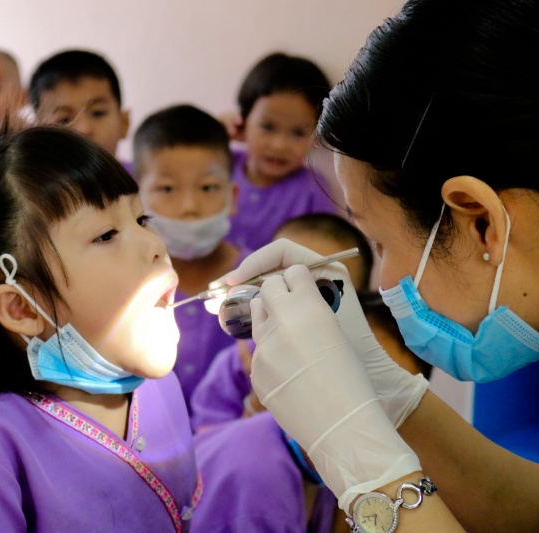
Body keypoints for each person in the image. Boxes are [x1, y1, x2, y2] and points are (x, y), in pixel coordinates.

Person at [223, 0, 539, 531]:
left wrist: (363, 463)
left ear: (481, 221)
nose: (385, 284)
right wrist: (385, 395)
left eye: (380, 243)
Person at [0, 125, 201, 532]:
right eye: (106, 234)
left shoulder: (156, 387)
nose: (154, 245)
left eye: (142, 219)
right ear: (21, 307)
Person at [190, 213, 374, 429]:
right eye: (282, 282)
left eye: (323, 292)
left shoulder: (372, 364)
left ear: (359, 301)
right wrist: (257, 404)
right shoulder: (238, 363)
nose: (299, 301)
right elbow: (208, 444)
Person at [133, 104, 248, 409]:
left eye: (208, 187)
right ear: (137, 199)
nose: (189, 207)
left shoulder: (255, 281)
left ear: (233, 196)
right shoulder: (126, 284)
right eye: (168, 188)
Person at [224, 52, 339, 252]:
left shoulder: (312, 190)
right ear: (243, 121)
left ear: (316, 134)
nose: (279, 145)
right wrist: (216, 132)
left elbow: (326, 250)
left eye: (298, 133)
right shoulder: (221, 165)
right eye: (267, 127)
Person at [28, 49, 130, 162]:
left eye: (97, 113)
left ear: (124, 123)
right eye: (64, 120)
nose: (84, 129)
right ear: (38, 136)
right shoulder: (23, 173)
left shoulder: (142, 172)